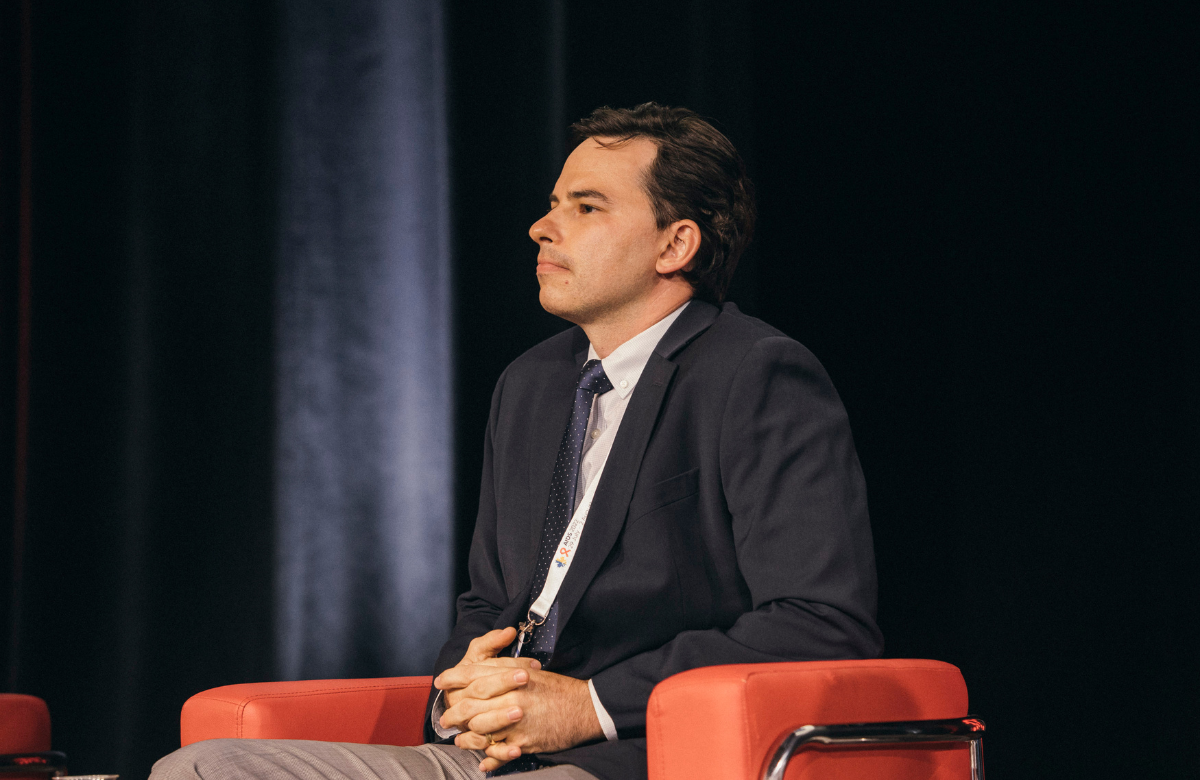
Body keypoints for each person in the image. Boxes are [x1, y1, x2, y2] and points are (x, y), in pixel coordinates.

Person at [151, 103, 882, 780]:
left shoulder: (755, 374)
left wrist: (587, 703)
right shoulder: (530, 383)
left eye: (586, 207)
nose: (542, 226)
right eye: (553, 202)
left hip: (635, 754)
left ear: (675, 243)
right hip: (492, 754)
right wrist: (460, 690)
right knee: (200, 770)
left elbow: (821, 623)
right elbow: (488, 601)